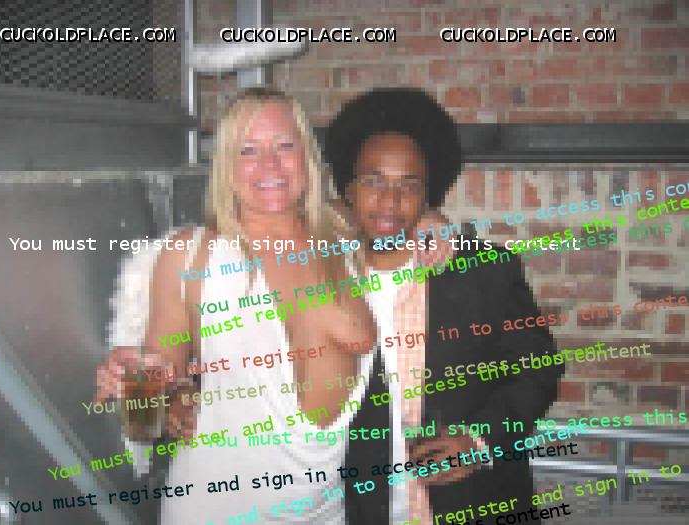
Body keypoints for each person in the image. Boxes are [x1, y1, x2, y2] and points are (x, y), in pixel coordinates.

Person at [96, 87, 376, 524]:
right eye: (248, 150)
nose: (270, 165)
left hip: (324, 510)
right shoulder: (189, 256)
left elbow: (407, 208)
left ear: (308, 157)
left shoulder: (347, 239)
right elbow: (150, 407)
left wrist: (435, 223)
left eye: (285, 146)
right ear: (226, 167)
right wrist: (136, 384)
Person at [325, 87, 563, 525]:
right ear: (348, 189)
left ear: (428, 195)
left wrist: (479, 440)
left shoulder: (483, 270)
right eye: (374, 180)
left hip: (473, 503)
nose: (390, 200)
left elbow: (538, 370)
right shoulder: (324, 276)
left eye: (408, 185)